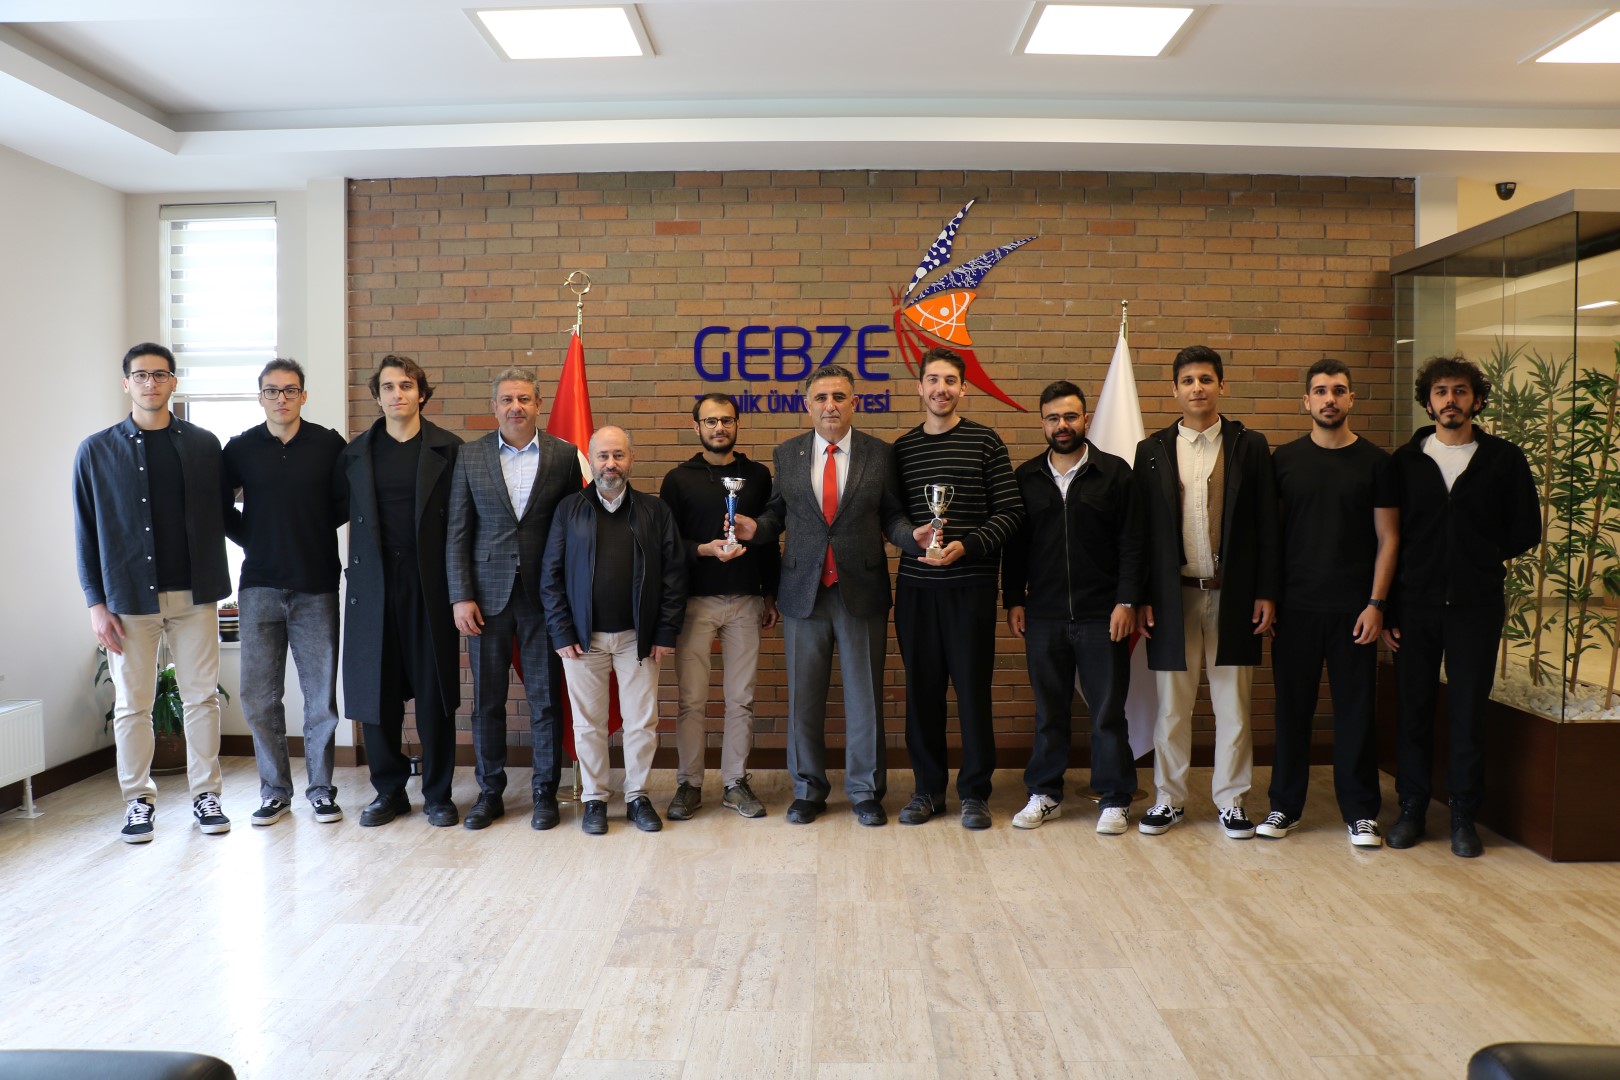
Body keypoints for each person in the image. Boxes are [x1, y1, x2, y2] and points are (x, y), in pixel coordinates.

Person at [734, 364, 913, 827]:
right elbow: (777, 514)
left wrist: (915, 537)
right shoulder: (788, 453)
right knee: (804, 700)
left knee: (865, 698)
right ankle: (808, 790)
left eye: (839, 397)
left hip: (862, 592)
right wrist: (756, 529)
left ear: (854, 403)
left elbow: (892, 517)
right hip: (803, 594)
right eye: (821, 398)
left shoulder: (880, 453)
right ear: (807, 405)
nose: (830, 405)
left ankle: (866, 792)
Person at [74, 342, 235, 842]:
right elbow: (85, 532)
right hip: (128, 599)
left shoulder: (204, 444)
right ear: (126, 383)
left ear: (173, 382)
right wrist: (96, 604)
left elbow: (225, 513)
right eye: (141, 375)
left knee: (202, 699)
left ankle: (206, 796)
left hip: (195, 594)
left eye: (160, 374)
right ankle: (138, 802)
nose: (150, 383)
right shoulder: (96, 451)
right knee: (132, 704)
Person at [1383, 353, 1539, 858]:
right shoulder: (1404, 462)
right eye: (1441, 392)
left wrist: (1477, 556)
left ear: (1476, 400)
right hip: (1414, 606)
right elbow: (1387, 537)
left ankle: (1463, 815)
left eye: (1460, 391)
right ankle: (1411, 809)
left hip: (1476, 606)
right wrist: (1386, 609)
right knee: (1414, 711)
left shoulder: (1503, 459)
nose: (1451, 400)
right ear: (1428, 402)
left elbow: (1526, 528)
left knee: (1469, 712)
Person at [1134, 345, 1279, 839]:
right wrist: (1142, 596)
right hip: (1173, 598)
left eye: (1205, 379)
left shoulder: (1249, 445)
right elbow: (1140, 531)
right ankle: (1169, 800)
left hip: (1233, 596)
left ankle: (1232, 802)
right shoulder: (1151, 451)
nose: (1197, 388)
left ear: (1221, 385)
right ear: (1174, 390)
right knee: (1172, 707)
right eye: (1188, 380)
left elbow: (1267, 523)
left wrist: (1266, 591)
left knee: (1233, 706)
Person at [1262, 359, 1398, 848]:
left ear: (1351, 399)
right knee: (1291, 712)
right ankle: (1284, 806)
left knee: (1356, 713)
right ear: (1306, 401)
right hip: (1295, 610)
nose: (1329, 399)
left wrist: (1377, 603)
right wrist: (1269, 599)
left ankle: (1361, 813)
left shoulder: (1376, 462)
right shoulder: (1284, 460)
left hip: (1354, 612)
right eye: (1320, 391)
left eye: (1338, 390)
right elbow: (1271, 537)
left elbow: (1389, 538)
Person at [448, 368, 586, 832]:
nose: (516, 407)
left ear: (538, 404)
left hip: (544, 598)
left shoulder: (564, 456)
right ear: (494, 406)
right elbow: (458, 531)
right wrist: (461, 596)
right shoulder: (470, 456)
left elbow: (574, 529)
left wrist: (568, 598)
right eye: (507, 399)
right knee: (487, 702)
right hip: (485, 600)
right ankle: (490, 793)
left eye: (524, 399)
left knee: (545, 701)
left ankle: (545, 792)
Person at [892, 347, 1023, 829]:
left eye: (950, 380)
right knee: (922, 693)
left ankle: (974, 793)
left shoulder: (986, 442)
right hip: (917, 590)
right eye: (933, 379)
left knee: (971, 693)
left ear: (963, 388)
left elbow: (1011, 513)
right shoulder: (902, 448)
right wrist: (911, 537)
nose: (941, 389)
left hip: (970, 589)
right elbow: (892, 517)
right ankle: (927, 790)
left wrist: (966, 546)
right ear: (920, 387)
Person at [1003, 380, 1142, 834]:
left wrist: (1126, 600)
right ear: (1042, 423)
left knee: (1107, 713)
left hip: (1103, 614)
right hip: (1042, 614)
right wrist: (1013, 599)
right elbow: (1015, 548)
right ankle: (1045, 793)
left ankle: (1115, 798)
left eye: (1069, 416)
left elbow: (1132, 544)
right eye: (1052, 418)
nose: (1061, 425)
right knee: (1049, 712)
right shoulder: (1026, 477)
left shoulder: (1115, 473)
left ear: (1085, 419)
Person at [334, 354, 463, 828]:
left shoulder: (450, 449)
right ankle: (389, 791)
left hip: (430, 584)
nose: (397, 394)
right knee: (377, 693)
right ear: (377, 396)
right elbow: (330, 513)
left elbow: (463, 523)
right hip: (372, 586)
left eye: (406, 385)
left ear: (421, 394)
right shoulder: (355, 453)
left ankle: (438, 794)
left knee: (434, 693)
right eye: (387, 387)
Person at [541, 426, 685, 836]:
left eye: (618, 455)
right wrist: (561, 632)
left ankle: (637, 796)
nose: (611, 464)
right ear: (591, 461)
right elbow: (550, 576)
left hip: (638, 638)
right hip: (582, 640)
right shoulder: (569, 509)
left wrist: (665, 632)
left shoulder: (655, 511)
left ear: (631, 459)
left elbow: (675, 575)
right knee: (588, 724)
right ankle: (595, 799)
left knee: (642, 722)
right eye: (603, 456)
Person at [223, 358, 347, 826]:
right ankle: (275, 791)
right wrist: (253, 537)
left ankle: (321, 790)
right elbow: (219, 507)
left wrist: (309, 530)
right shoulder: (240, 448)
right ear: (260, 396)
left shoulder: (328, 445)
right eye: (272, 391)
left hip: (317, 586)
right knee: (259, 697)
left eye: (290, 390)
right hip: (259, 587)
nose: (281, 398)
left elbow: (344, 502)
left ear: (303, 396)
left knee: (320, 699)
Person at [660, 393, 779, 821]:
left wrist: (770, 594)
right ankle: (689, 783)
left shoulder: (758, 476)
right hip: (695, 603)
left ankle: (734, 782)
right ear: (696, 427)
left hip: (746, 600)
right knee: (692, 700)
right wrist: (705, 550)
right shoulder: (678, 479)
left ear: (737, 424)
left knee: (740, 699)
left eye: (726, 420)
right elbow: (668, 545)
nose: (719, 428)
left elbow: (767, 539)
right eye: (710, 421)